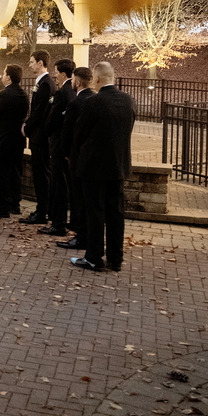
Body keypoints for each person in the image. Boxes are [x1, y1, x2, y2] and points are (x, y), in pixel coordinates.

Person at [70, 62, 135, 272]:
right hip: (118, 164)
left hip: (94, 166)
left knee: (95, 212)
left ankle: (94, 257)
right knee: (116, 212)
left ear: (96, 79)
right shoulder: (128, 100)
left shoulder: (93, 102)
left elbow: (79, 134)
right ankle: (116, 258)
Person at [56, 67, 96, 251]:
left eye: (73, 79)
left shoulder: (76, 102)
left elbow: (68, 130)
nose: (72, 82)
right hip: (90, 155)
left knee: (77, 196)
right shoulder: (95, 99)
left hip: (75, 155)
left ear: (78, 82)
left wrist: (66, 152)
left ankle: (80, 235)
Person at [0, 64, 29, 218]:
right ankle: (15, 204)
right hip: (18, 139)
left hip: (2, 139)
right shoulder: (24, 95)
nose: (2, 76)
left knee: (0, 173)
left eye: (4, 73)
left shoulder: (1, 96)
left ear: (8, 77)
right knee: (15, 171)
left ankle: (2, 206)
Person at [39, 59, 77, 237]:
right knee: (68, 183)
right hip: (68, 146)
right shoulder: (74, 91)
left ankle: (58, 223)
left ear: (62, 74)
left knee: (59, 184)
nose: (54, 75)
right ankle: (71, 221)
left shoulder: (62, 92)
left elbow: (53, 119)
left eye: (56, 72)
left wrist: (46, 131)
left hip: (59, 144)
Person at [20, 50, 54, 225]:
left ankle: (42, 212)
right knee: (39, 174)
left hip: (40, 136)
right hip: (38, 135)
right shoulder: (42, 82)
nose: (30, 64)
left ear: (40, 63)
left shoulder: (46, 84)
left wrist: (27, 125)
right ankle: (43, 209)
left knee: (41, 174)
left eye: (32, 61)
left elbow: (40, 111)